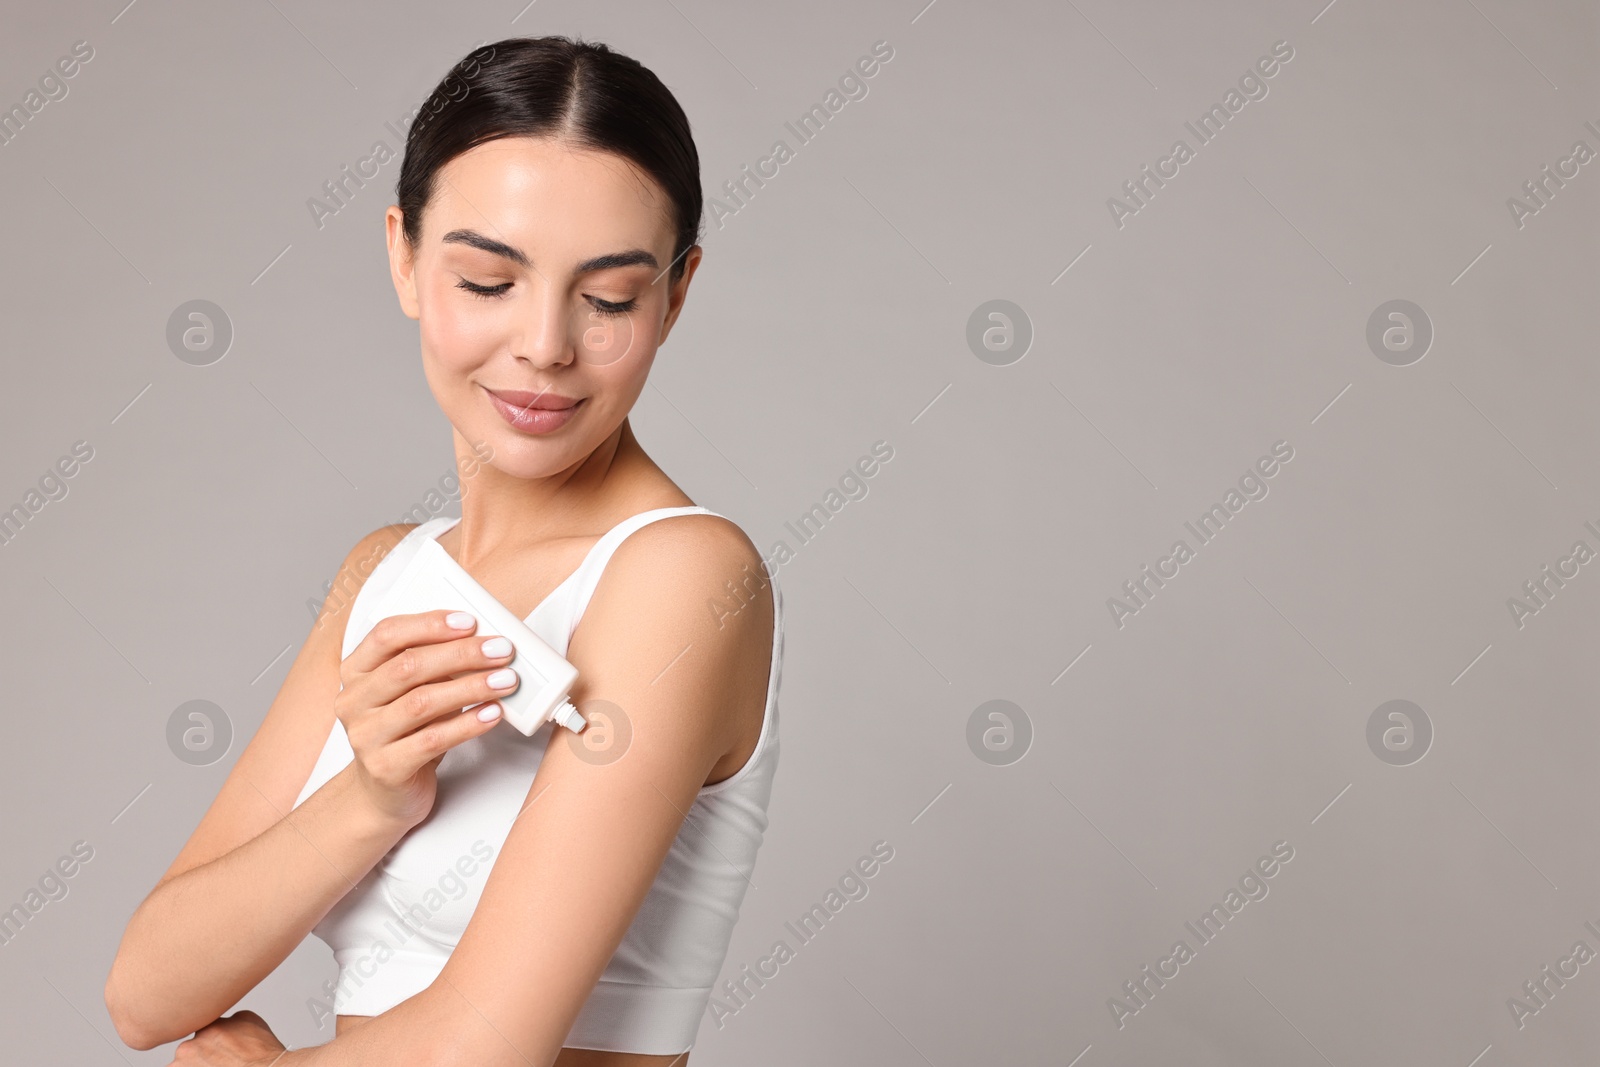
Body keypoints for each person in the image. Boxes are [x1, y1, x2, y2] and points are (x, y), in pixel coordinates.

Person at [104, 35, 783, 1067]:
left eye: (607, 298)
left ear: (675, 294)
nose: (545, 344)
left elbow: (491, 1037)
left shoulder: (683, 576)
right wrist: (369, 797)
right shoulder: (382, 575)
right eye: (486, 279)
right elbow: (148, 990)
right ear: (404, 257)